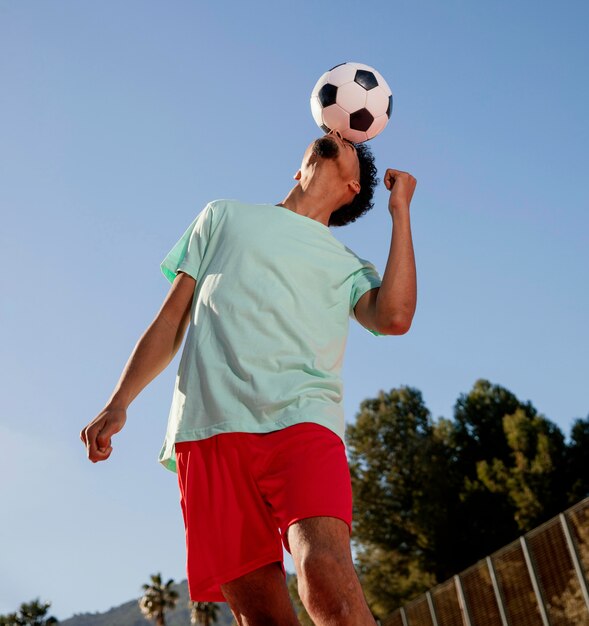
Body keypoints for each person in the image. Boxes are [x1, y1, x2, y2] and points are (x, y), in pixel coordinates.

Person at [80, 129, 417, 626]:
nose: (334, 133)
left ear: (353, 187)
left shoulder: (348, 265)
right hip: (208, 431)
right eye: (329, 131)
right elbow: (171, 320)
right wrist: (119, 400)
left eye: (349, 141)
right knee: (261, 616)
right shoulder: (222, 217)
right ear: (297, 169)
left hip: (303, 425)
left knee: (326, 579)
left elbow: (394, 317)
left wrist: (400, 210)